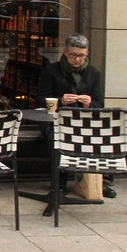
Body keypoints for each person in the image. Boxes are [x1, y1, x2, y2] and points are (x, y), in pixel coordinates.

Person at [38, 33, 111, 196]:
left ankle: (99, 181)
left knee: (99, 137)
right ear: (65, 52)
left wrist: (88, 103)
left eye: (81, 56)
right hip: (57, 120)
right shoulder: (52, 71)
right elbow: (41, 100)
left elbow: (99, 103)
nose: (77, 60)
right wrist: (60, 101)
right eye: (73, 55)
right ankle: (59, 180)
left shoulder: (93, 73)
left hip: (83, 120)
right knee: (56, 137)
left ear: (87, 54)